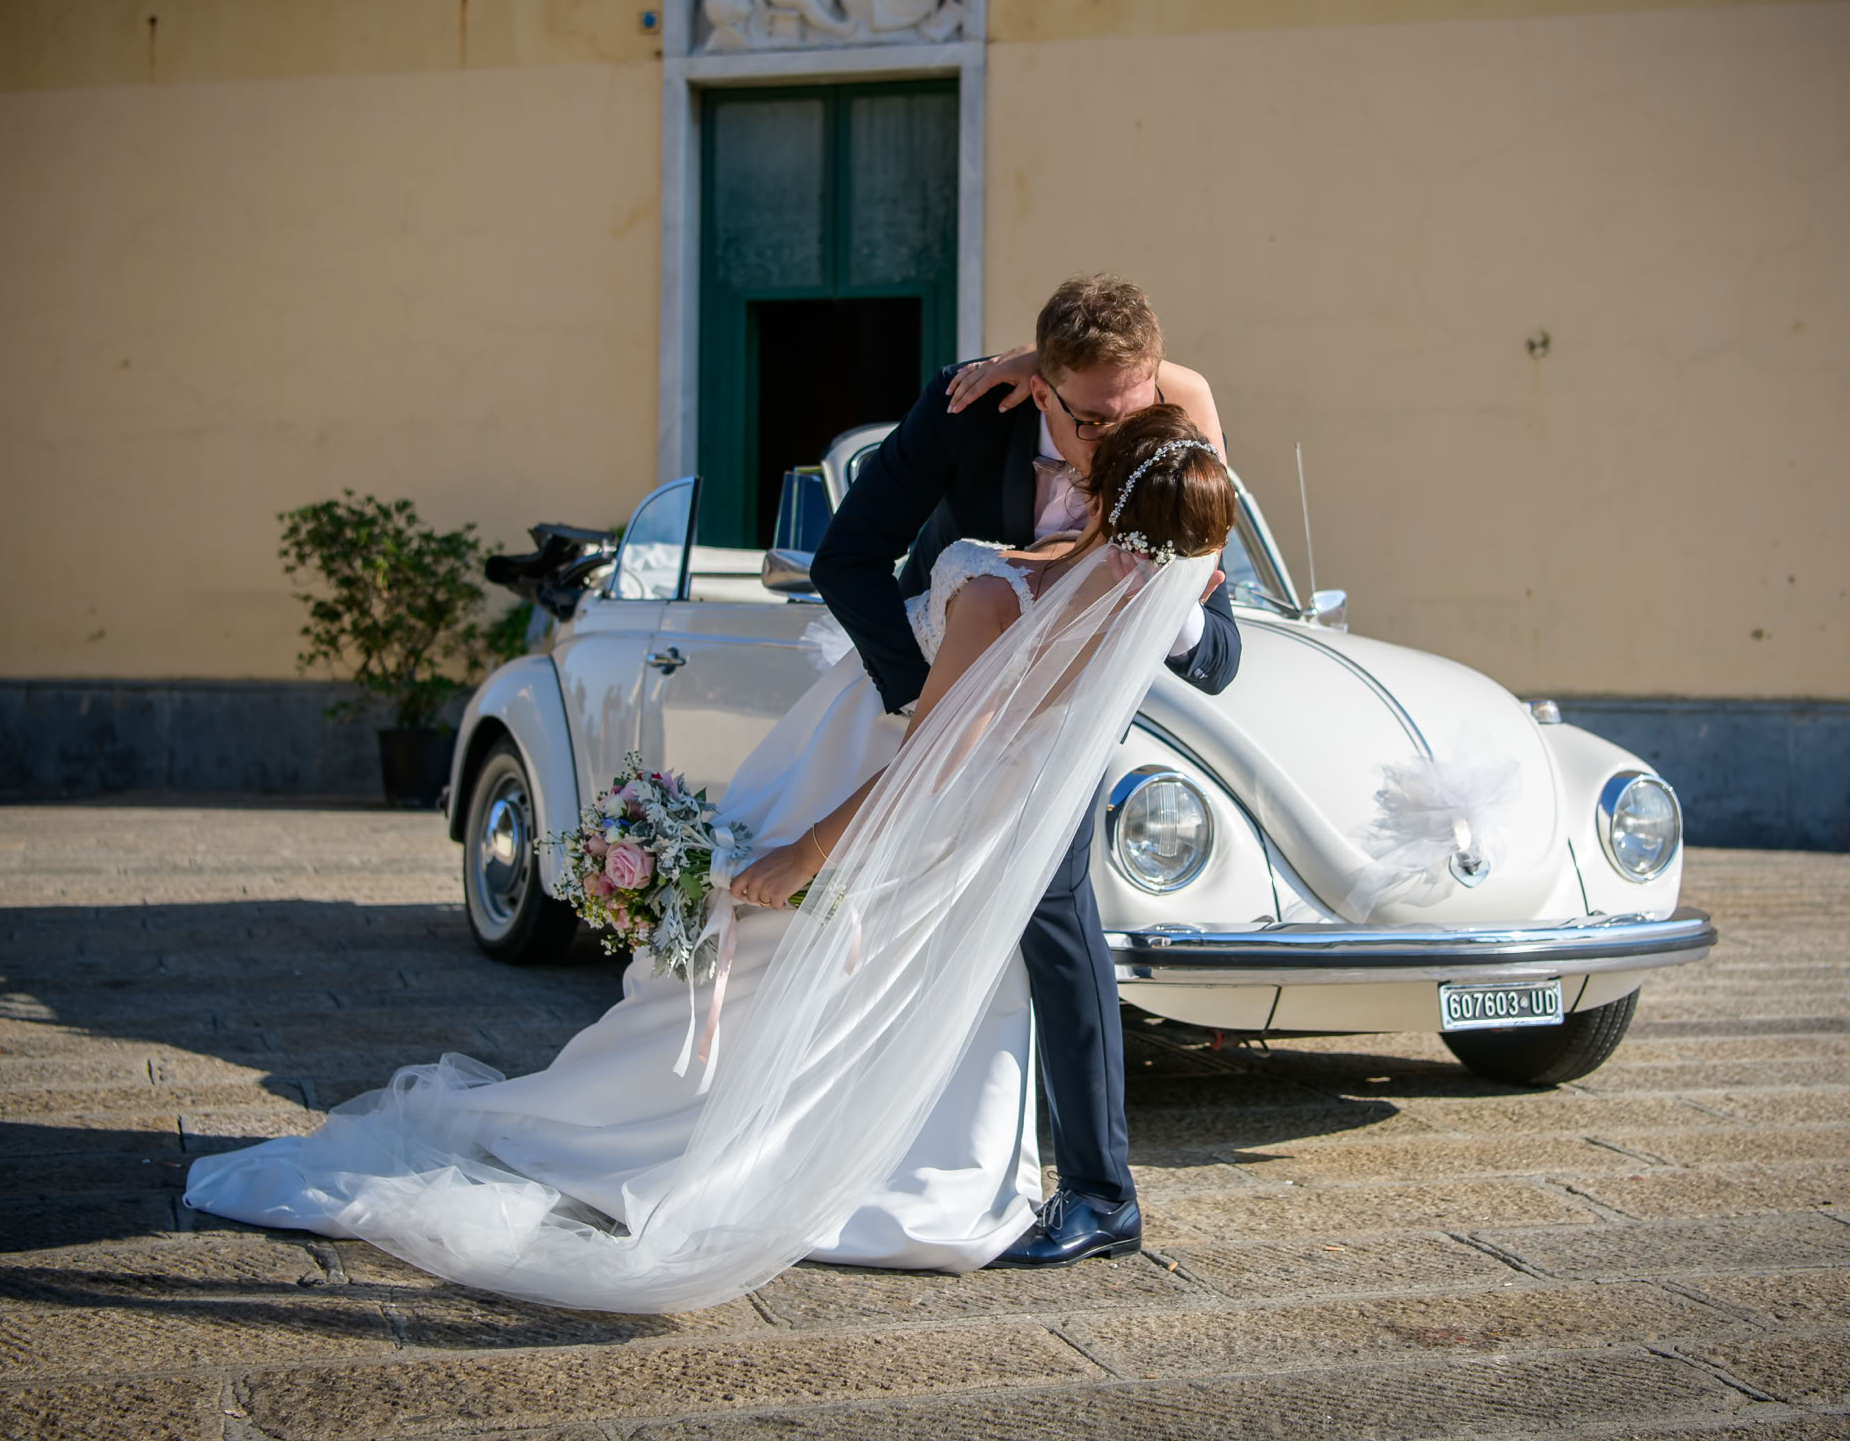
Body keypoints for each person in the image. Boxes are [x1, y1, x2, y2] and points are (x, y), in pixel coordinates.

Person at [183, 408, 1234, 1313]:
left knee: (738, 987)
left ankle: (628, 1140)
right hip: (888, 812)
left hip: (856, 817)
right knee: (779, 1001)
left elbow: (926, 767)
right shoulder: (1126, 600)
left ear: (1097, 487)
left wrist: (801, 855)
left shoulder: (1006, 598)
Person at [809, 273, 1241, 1267]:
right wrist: (922, 698)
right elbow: (848, 558)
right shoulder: (967, 410)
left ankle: (1099, 1193)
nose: (1117, 436)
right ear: (1041, 389)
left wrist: (1170, 606)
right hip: (957, 670)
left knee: (1051, 892)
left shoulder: (1172, 422)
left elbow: (1217, 653)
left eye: (1134, 408)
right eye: (1091, 418)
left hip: (1084, 691)